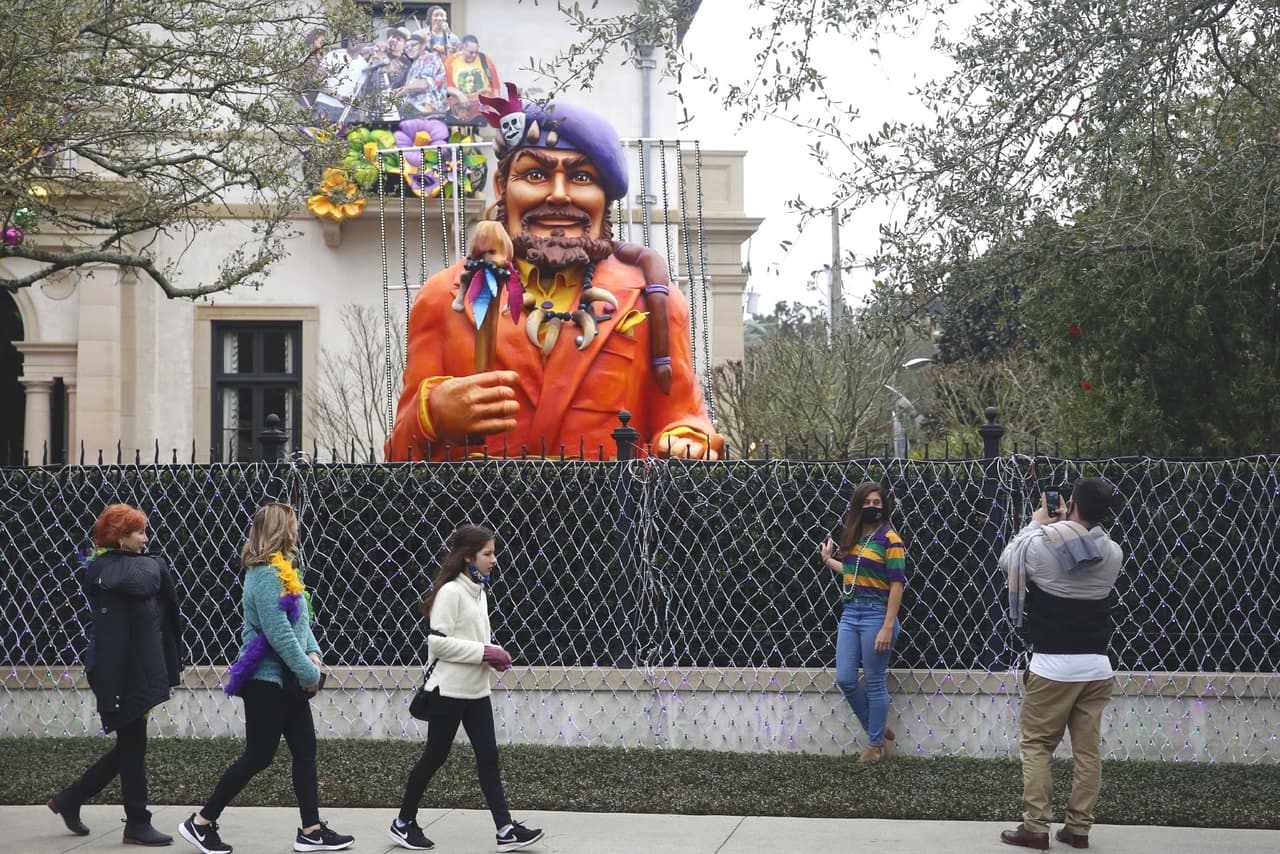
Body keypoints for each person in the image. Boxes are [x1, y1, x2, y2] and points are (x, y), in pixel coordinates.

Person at [386, 87, 722, 461]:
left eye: (581, 178)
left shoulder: (652, 301)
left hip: (606, 517)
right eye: (536, 174)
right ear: (501, 188)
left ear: (605, 198)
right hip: (480, 517)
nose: (559, 195)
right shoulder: (441, 299)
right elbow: (399, 454)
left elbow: (684, 417)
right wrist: (431, 414)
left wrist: (687, 441)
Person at [177, 503, 354, 854]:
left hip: (288, 679)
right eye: (292, 525)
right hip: (266, 680)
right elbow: (279, 634)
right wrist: (309, 672)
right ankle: (201, 823)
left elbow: (301, 622)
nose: (297, 530)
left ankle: (311, 831)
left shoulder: (285, 570)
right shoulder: (264, 575)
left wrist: (315, 654)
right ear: (280, 530)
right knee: (259, 756)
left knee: (305, 751)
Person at [388, 524, 544, 852]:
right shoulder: (451, 592)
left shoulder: (479, 591)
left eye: (493, 553)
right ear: (468, 557)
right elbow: (439, 644)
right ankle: (403, 823)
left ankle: (505, 830)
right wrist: (486, 653)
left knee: (488, 757)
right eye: (488, 554)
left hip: (477, 691)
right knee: (435, 757)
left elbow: (473, 641)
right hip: (449, 692)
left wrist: (492, 657)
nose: (494, 560)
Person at [997, 478, 1125, 850]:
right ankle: (1078, 829)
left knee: (1037, 745)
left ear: (1070, 505)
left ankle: (1036, 828)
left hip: (1053, 666)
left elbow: (1009, 559)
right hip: (1097, 667)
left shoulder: (1039, 546)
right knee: (1088, 753)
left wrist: (1039, 522)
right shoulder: (1113, 552)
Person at [48, 503, 182, 846]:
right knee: (133, 746)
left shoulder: (112, 568)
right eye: (140, 532)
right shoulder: (123, 570)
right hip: (121, 670)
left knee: (131, 745)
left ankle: (71, 799)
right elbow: (145, 580)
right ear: (121, 537)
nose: (146, 538)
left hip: (131, 667)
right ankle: (136, 822)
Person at [820, 482, 907, 762]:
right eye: (867, 503)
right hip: (850, 613)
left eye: (877, 503)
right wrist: (827, 560)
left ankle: (874, 746)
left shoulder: (890, 540)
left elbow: (897, 585)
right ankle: (877, 727)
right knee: (845, 678)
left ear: (884, 507)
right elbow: (852, 572)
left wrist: (887, 625)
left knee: (874, 681)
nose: (872, 507)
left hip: (877, 614)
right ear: (858, 506)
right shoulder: (854, 538)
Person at [444, 35, 501, 125]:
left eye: (476, 52)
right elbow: (447, 87)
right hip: (460, 109)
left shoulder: (485, 59)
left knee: (477, 135)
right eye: (471, 52)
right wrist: (459, 94)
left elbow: (495, 85)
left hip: (481, 110)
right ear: (462, 48)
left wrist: (497, 106)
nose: (474, 55)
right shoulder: (451, 61)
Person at [398, 36, 448, 119]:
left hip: (430, 108)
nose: (409, 48)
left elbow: (424, 84)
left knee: (400, 110)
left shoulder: (430, 57)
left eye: (413, 45)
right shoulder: (414, 65)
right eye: (406, 47)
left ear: (423, 46)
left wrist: (400, 91)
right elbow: (407, 88)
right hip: (416, 107)